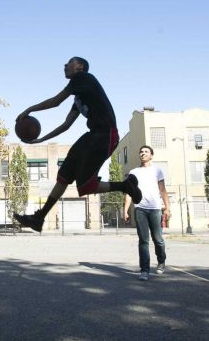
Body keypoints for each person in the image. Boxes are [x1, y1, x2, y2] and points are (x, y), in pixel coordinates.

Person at [13, 57, 141, 232]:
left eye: (69, 62)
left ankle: (124, 186)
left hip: (105, 134)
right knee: (64, 175)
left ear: (79, 67)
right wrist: (41, 140)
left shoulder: (83, 78)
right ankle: (39, 217)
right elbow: (66, 125)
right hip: (92, 135)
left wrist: (29, 109)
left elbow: (56, 101)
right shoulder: (79, 96)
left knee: (85, 186)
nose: (64, 65)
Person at [123, 145, 170, 281]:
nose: (143, 153)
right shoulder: (133, 172)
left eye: (146, 152)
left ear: (151, 155)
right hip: (140, 209)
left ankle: (161, 260)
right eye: (141, 152)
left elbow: (163, 190)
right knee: (143, 240)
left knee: (158, 239)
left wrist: (167, 207)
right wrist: (125, 210)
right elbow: (129, 193)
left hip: (155, 208)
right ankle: (144, 270)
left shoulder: (157, 170)